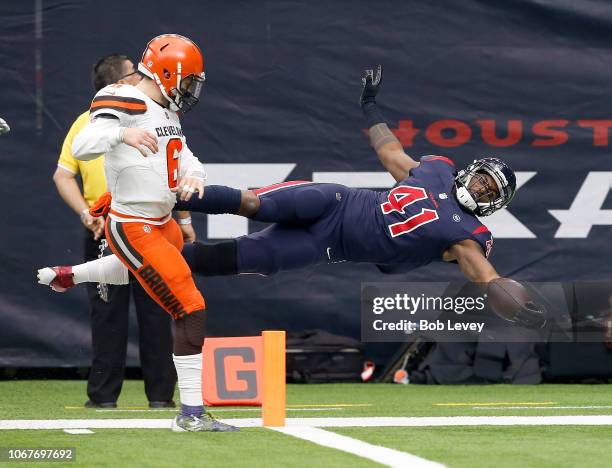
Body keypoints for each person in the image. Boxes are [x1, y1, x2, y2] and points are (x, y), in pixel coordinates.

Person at [39, 65, 546, 330]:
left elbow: (487, 279)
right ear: (470, 171)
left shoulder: (468, 236)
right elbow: (392, 156)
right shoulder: (435, 169)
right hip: (336, 203)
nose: (479, 188)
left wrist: (519, 306)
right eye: (481, 179)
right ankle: (159, 202)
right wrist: (371, 108)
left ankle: (86, 271)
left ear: (494, 205)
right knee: (250, 201)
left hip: (330, 246)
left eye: (489, 191)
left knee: (203, 261)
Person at [43, 35, 237, 433]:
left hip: (163, 221)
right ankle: (192, 414)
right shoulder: (122, 97)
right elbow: (83, 145)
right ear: (168, 73)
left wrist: (194, 176)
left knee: (143, 274)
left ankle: (71, 275)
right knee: (189, 306)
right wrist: (120, 134)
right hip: (132, 223)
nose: (190, 91)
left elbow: (185, 155)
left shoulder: (167, 110)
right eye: (187, 81)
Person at [53, 54, 178, 409]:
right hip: (104, 230)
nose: (143, 77)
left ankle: (161, 396)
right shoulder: (86, 124)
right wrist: (85, 213)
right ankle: (103, 397)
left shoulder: (156, 115)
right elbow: (63, 174)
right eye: (134, 73)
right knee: (108, 315)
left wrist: (182, 221)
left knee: (157, 309)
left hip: (149, 226)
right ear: (119, 84)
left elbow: (171, 168)